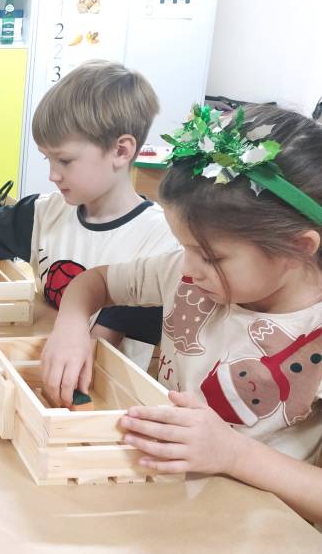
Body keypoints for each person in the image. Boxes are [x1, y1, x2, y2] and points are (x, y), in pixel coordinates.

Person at [41, 104, 322, 522]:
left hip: (254, 532)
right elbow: (93, 283)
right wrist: (70, 326)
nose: (189, 270)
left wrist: (234, 455)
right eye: (183, 246)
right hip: (160, 502)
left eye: (211, 256)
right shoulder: (183, 271)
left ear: (297, 249)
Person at [0, 61, 179, 362]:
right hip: (37, 362)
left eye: (65, 161)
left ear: (121, 151)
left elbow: (99, 346)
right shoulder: (44, 212)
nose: (53, 175)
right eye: (48, 159)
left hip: (99, 380)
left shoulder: (159, 241)